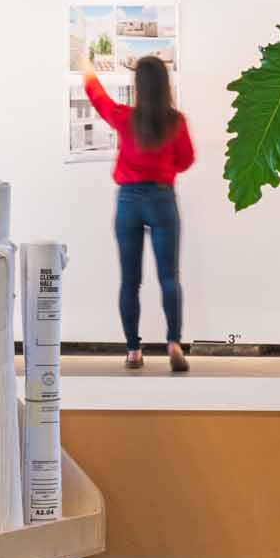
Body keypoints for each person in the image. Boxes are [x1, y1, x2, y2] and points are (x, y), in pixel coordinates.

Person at [78, 47, 195, 371]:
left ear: (139, 86)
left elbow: (98, 99)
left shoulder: (126, 118)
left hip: (128, 202)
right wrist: (165, 166)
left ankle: (133, 350)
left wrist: (87, 69)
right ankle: (173, 342)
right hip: (162, 199)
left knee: (130, 281)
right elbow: (186, 160)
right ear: (165, 84)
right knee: (169, 277)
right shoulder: (176, 122)